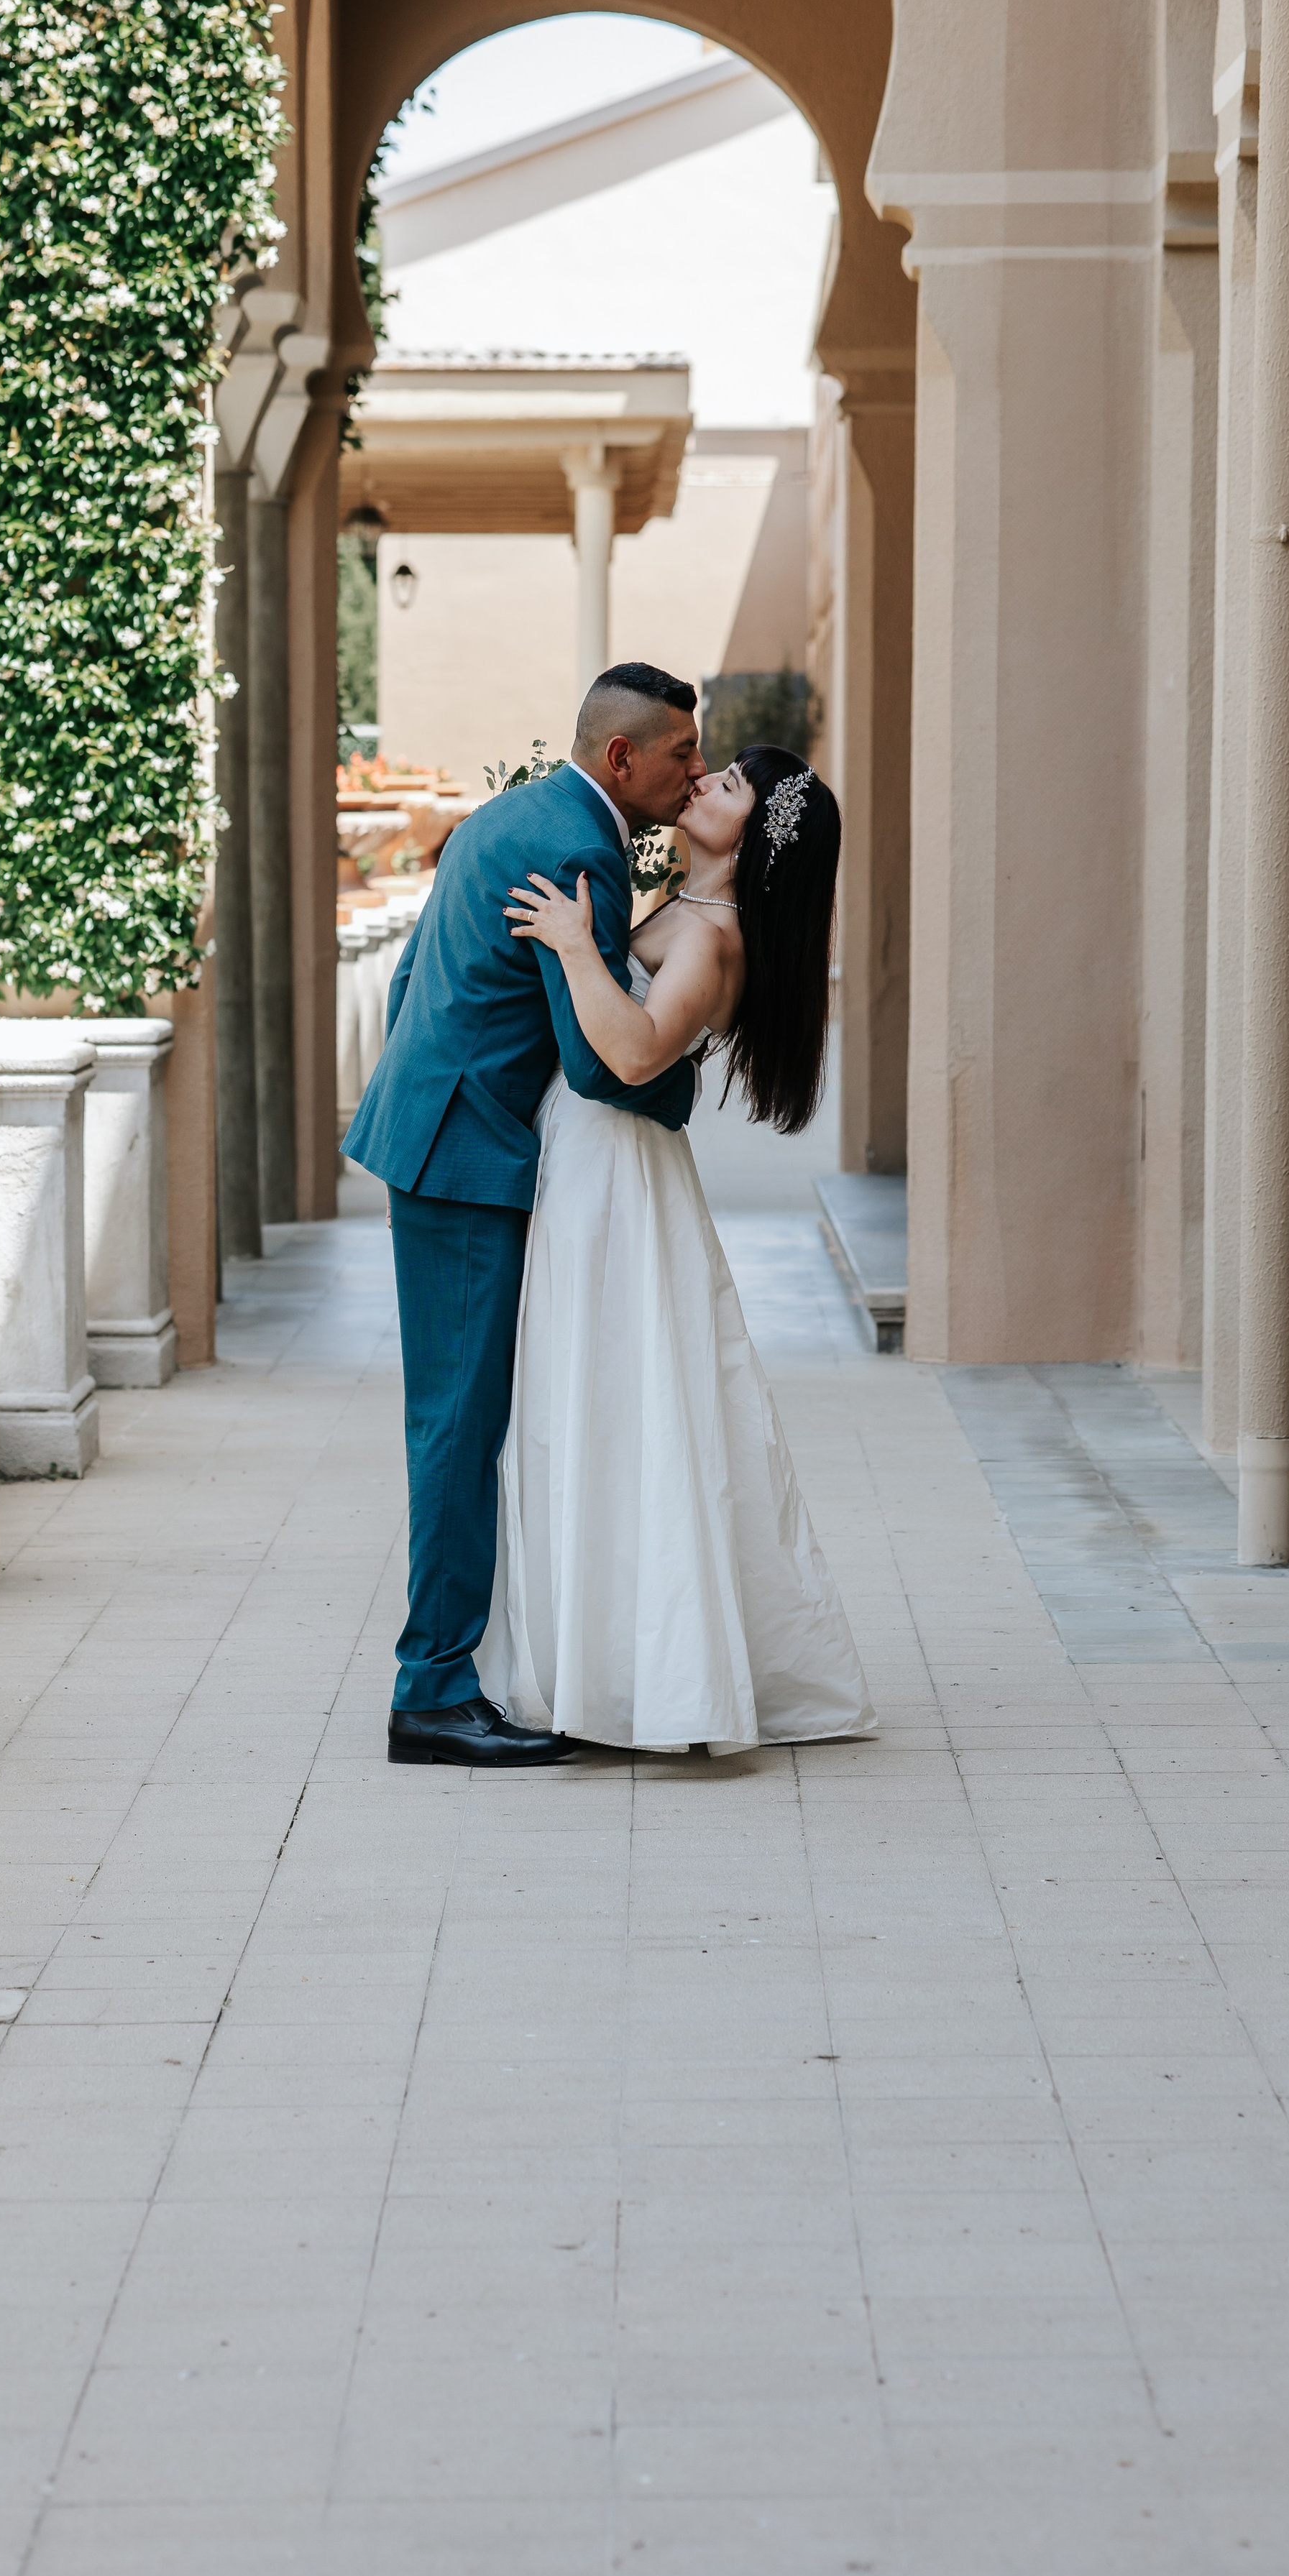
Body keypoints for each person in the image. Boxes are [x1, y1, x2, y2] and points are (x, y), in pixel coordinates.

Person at [344, 663, 705, 1765]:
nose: (698, 773)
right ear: (622, 759)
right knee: (458, 1429)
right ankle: (433, 1694)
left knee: (457, 1422)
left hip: (439, 1134)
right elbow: (601, 1068)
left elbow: (412, 986)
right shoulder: (579, 844)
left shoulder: (513, 812)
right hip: (464, 1156)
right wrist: (679, 1085)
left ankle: (450, 1676)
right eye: (684, 754)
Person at [490, 742, 876, 1752]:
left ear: (752, 838)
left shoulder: (713, 939)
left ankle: (641, 1677)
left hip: (615, 1175)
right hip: (598, 1166)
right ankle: (608, 1661)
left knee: (616, 1407)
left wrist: (580, 944)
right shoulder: (692, 912)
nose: (703, 781)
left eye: (728, 784)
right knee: (602, 1404)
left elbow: (630, 1052)